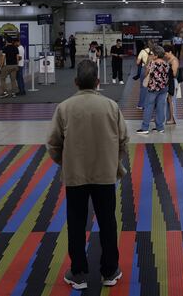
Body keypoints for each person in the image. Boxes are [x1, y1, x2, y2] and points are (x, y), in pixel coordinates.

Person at [47, 60, 128, 290]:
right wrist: (113, 162)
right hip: (105, 174)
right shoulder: (111, 106)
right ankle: (110, 271)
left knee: (76, 223)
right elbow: (123, 140)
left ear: (75, 82)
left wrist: (66, 162)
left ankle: (79, 273)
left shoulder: (64, 108)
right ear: (98, 82)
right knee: (107, 221)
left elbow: (53, 143)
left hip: (76, 176)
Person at [137, 45, 170, 134]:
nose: (151, 55)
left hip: (153, 87)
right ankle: (160, 127)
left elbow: (146, 73)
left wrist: (149, 62)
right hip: (163, 88)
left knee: (148, 106)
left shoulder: (152, 63)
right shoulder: (166, 63)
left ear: (156, 55)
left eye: (153, 54)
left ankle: (145, 128)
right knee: (160, 107)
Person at [163, 45, 180, 125]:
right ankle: (169, 117)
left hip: (172, 82)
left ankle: (172, 118)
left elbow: (174, 73)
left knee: (171, 100)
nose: (165, 55)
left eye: (166, 53)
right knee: (169, 100)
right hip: (169, 81)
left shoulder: (174, 60)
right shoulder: (169, 60)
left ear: (170, 52)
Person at [135, 41, 153, 109]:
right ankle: (151, 103)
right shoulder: (154, 51)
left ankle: (141, 104)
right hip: (153, 70)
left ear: (145, 45)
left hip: (144, 69)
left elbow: (137, 62)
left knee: (143, 88)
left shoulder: (142, 51)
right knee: (152, 87)